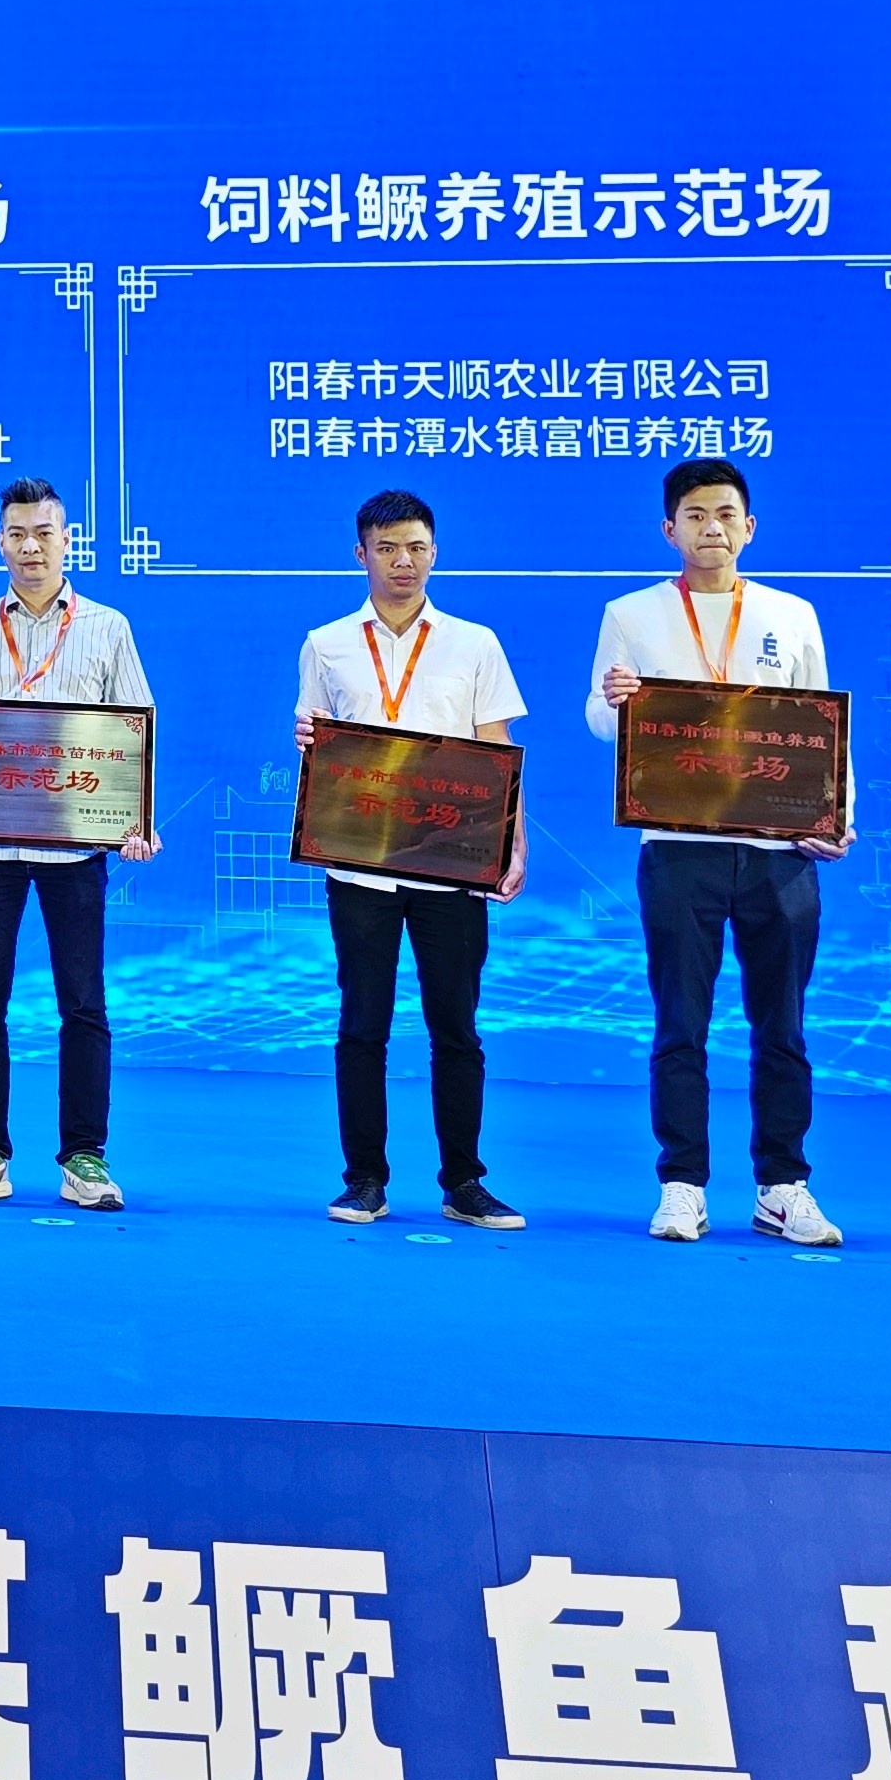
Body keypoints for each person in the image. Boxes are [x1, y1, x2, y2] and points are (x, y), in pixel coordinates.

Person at [586, 455, 850, 1246]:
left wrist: (837, 815)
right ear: (670, 529)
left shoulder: (791, 613)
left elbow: (822, 725)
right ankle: (682, 1184)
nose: (713, 528)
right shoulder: (631, 613)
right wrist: (615, 703)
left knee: (783, 1028)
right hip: (679, 847)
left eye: (726, 514)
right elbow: (600, 720)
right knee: (681, 1024)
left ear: (750, 527)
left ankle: (783, 1186)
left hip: (779, 849)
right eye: (696, 516)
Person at [0, 477, 159, 1212]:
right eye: (17, 535)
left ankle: (85, 1157)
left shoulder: (108, 627)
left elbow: (133, 731)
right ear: (0, 543)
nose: (30, 547)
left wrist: (138, 820)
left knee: (83, 1003)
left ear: (67, 540)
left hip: (74, 850)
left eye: (44, 534)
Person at [296, 488, 528, 1230]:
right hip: (359, 864)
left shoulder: (475, 643)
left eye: (417, 548)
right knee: (362, 1024)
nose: (404, 561)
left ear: (435, 553)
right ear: (360, 554)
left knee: (455, 1027)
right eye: (388, 548)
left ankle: (465, 1182)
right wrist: (309, 743)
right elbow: (318, 746)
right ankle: (364, 1178)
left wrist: (511, 841)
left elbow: (496, 749)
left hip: (451, 864)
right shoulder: (326, 643)